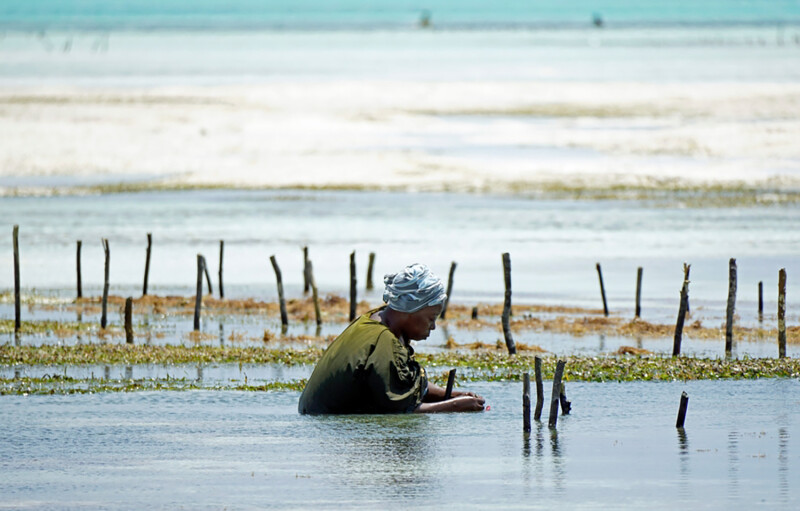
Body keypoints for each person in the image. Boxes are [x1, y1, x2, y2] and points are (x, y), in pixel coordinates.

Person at [298, 263, 485, 414]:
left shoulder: (374, 319)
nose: (433, 326)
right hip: (327, 422)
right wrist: (455, 407)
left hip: (315, 415)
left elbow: (400, 381)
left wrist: (449, 395)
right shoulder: (385, 343)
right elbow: (400, 409)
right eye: (430, 318)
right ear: (411, 311)